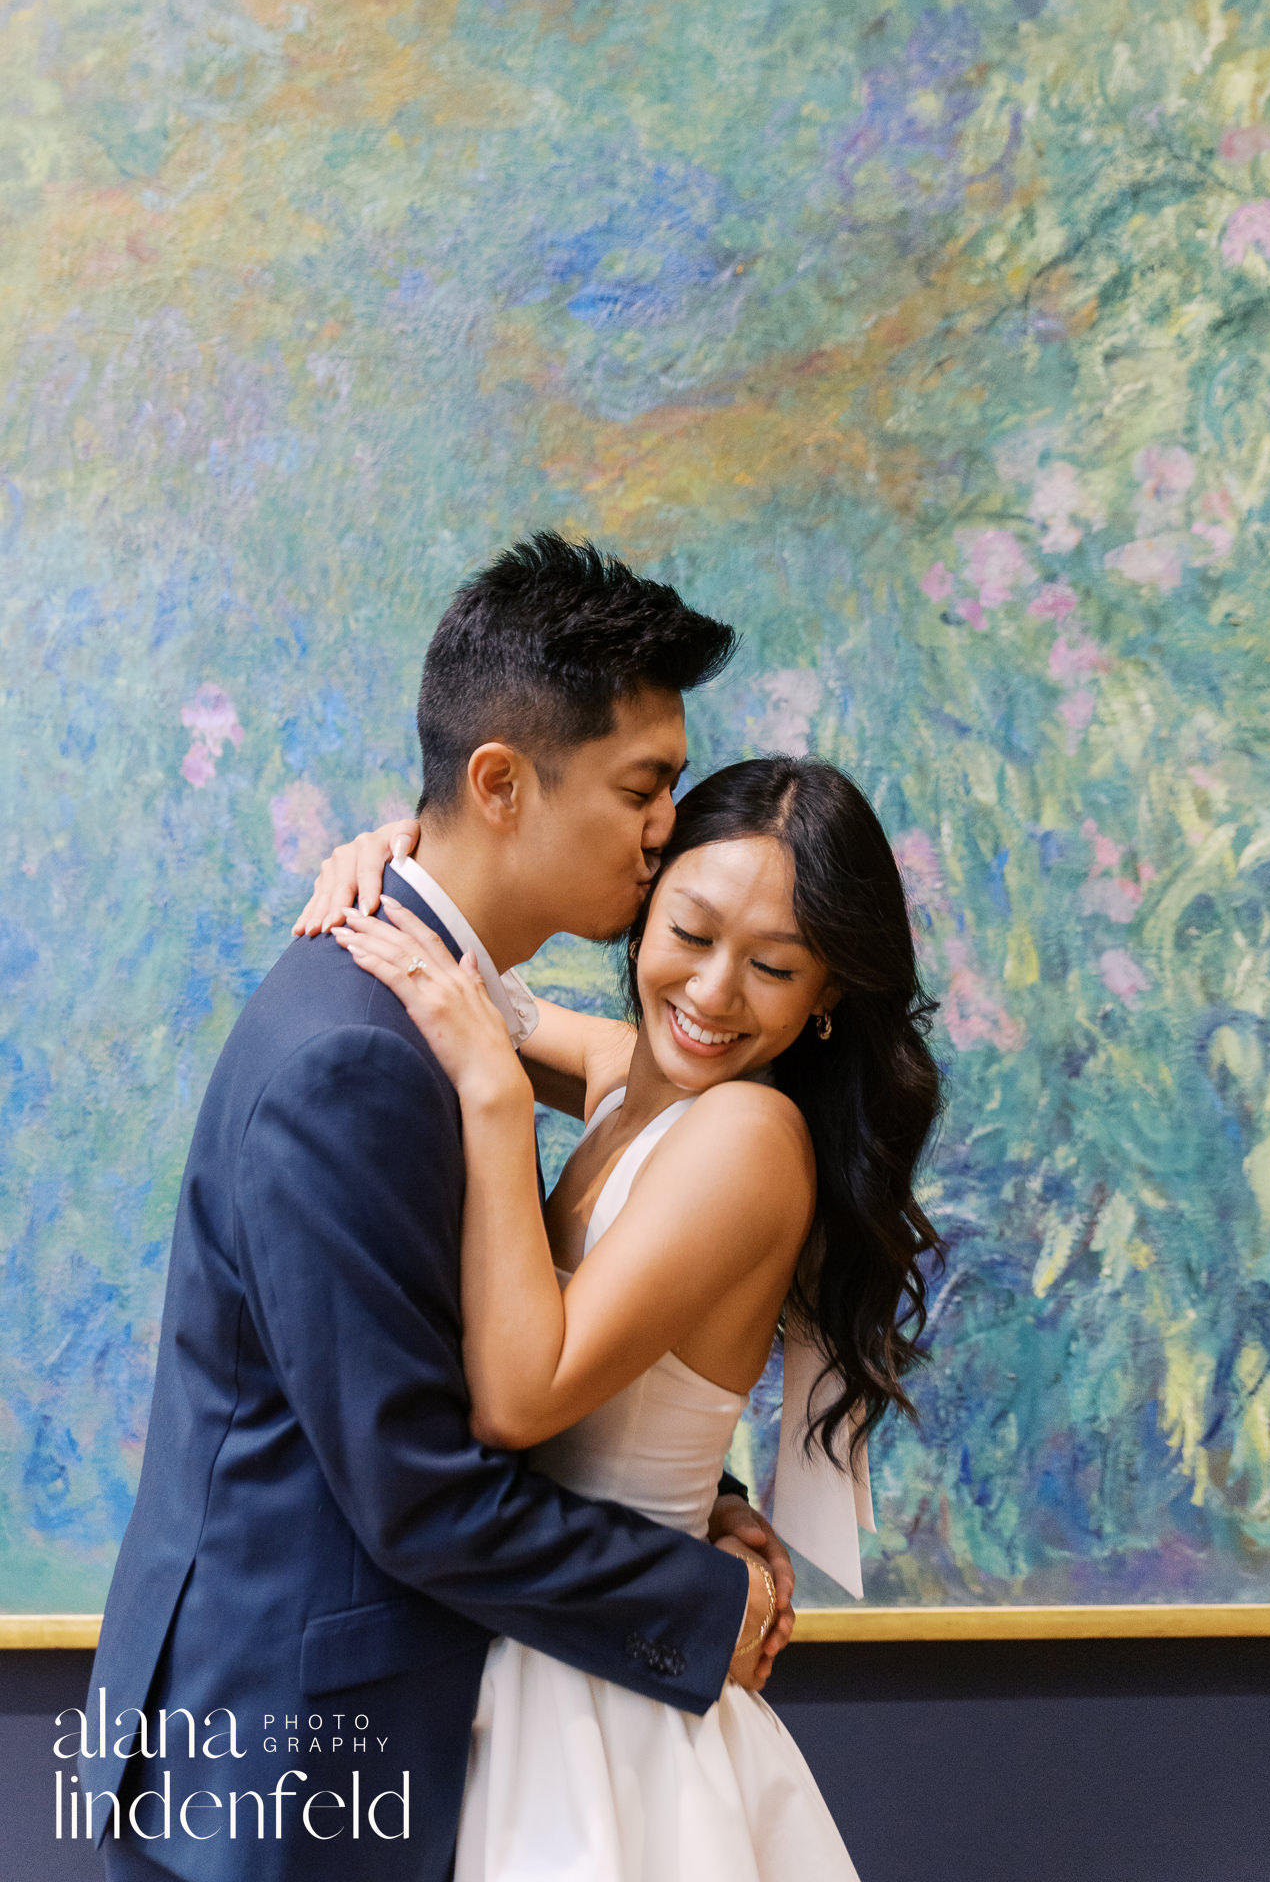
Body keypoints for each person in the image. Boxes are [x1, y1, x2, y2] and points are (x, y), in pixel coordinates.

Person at [83, 536, 794, 1882]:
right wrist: (710, 1603)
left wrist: (692, 1493)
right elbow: (415, 1490)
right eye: (645, 787)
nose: (664, 831)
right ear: (501, 784)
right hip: (286, 1769)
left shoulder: (439, 1010)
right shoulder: (361, 1048)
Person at [309, 749, 943, 1879]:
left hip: (606, 1708)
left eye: (773, 967)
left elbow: (519, 1399)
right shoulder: (635, 1077)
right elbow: (475, 981)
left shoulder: (748, 1137)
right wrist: (385, 857)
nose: (710, 994)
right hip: (536, 1637)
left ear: (826, 993)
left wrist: (497, 1103)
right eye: (690, 935)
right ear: (643, 904)